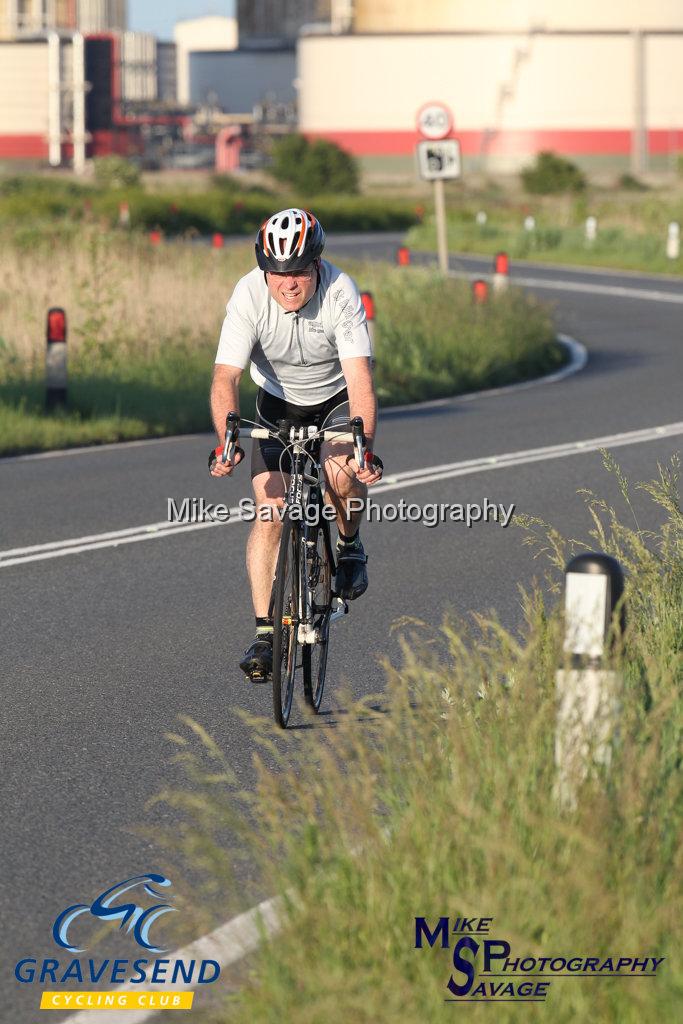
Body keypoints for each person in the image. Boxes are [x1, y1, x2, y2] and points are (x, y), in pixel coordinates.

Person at [209, 208, 384, 682]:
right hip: (277, 404)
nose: (288, 283)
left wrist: (361, 446)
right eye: (278, 274)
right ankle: (266, 635)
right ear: (265, 271)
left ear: (317, 266)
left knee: (341, 475)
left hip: (334, 400)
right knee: (269, 511)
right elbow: (226, 377)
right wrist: (227, 439)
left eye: (299, 272)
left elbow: (360, 379)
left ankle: (349, 545)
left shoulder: (340, 292)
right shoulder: (248, 294)